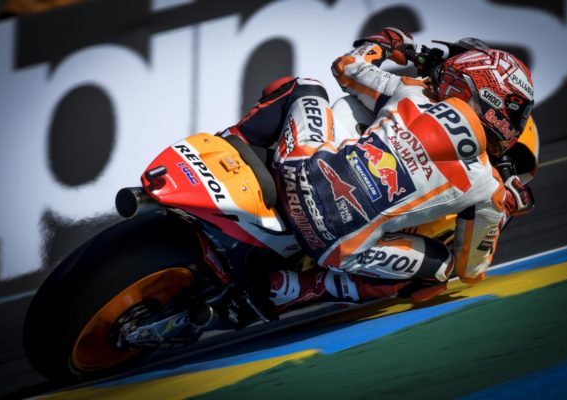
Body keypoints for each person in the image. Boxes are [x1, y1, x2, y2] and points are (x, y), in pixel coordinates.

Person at [218, 27, 534, 313]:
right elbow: (471, 270)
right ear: (492, 98)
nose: (515, 123)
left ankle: (226, 146)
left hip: (298, 176)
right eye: (516, 112)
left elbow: (346, 66)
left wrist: (384, 44)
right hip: (335, 245)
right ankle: (302, 287)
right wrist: (504, 207)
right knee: (442, 268)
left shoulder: (411, 91)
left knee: (304, 87)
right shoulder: (488, 186)